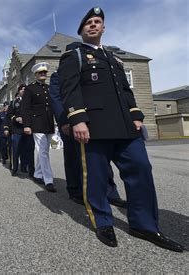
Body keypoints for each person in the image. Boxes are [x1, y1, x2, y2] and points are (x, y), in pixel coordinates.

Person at [58, 7, 184, 252]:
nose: (93, 25)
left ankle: (144, 224)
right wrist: (77, 119)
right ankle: (103, 221)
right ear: (81, 30)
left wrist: (136, 116)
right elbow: (69, 89)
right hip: (94, 127)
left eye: (97, 22)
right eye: (88, 23)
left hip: (125, 127)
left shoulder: (114, 59)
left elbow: (126, 91)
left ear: (103, 28)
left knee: (141, 169)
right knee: (95, 178)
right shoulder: (74, 56)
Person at [49, 69, 126, 207]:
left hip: (93, 121)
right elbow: (56, 99)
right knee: (73, 157)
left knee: (101, 158)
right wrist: (64, 122)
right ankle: (75, 190)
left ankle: (109, 192)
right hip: (70, 121)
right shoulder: (58, 75)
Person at [22, 62, 56, 192]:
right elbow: (25, 109)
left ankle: (37, 174)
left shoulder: (48, 88)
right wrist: (27, 125)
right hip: (36, 124)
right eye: (40, 72)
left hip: (48, 123)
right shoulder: (30, 89)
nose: (43, 74)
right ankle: (49, 180)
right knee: (42, 151)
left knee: (44, 151)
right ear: (35, 74)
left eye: (45, 72)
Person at [7, 85, 34, 177]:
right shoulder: (14, 102)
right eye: (22, 90)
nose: (24, 91)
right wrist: (16, 118)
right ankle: (14, 169)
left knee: (27, 149)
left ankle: (26, 168)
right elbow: (9, 114)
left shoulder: (30, 101)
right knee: (16, 149)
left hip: (28, 129)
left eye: (25, 90)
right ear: (18, 92)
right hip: (17, 129)